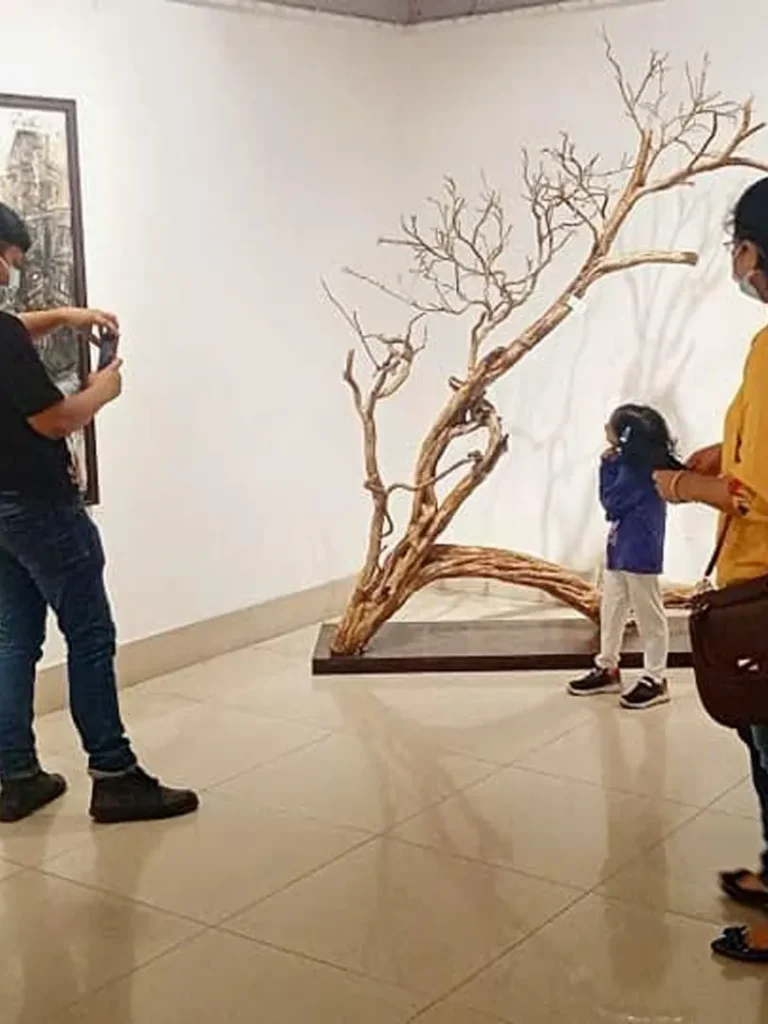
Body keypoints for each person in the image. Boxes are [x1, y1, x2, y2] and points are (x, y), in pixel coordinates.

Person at [0, 202, 198, 824]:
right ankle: (115, 775)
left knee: (13, 637)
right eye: (10, 258)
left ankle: (15, 775)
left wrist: (65, 316)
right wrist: (101, 394)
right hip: (38, 503)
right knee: (89, 633)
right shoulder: (2, 336)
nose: (11, 271)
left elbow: (14, 328)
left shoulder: (5, 331)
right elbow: (53, 419)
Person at [654, 176, 768, 963]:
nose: (737, 263)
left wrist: (679, 486)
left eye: (738, 248)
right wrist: (721, 453)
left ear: (753, 252)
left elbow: (754, 493)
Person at [569, 404, 683, 710]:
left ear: (624, 436)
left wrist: (606, 466)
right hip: (621, 548)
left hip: (638, 550)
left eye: (611, 425)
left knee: (648, 614)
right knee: (613, 607)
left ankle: (655, 677)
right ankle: (607, 665)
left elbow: (611, 502)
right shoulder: (635, 465)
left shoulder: (634, 471)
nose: (605, 428)